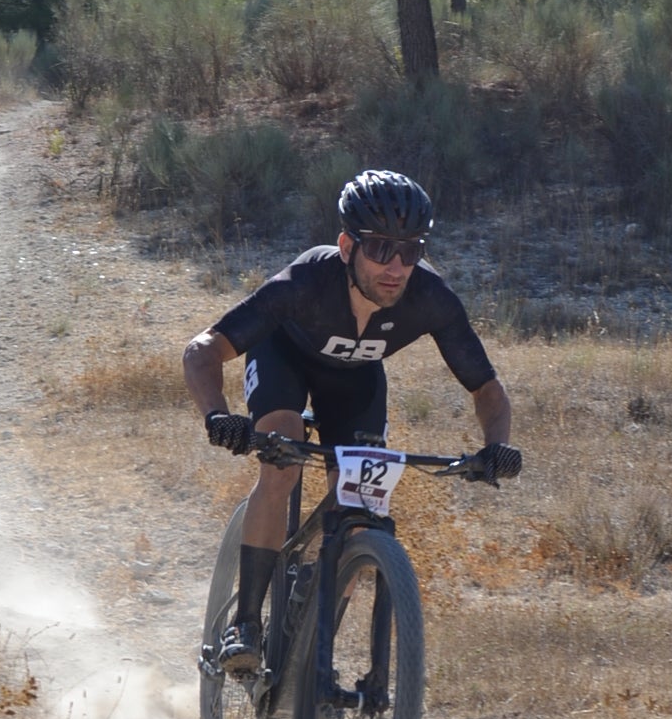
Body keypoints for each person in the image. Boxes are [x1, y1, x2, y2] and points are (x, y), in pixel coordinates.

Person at [183, 169, 520, 670]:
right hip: (285, 360)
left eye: (411, 251)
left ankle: (309, 656)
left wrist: (496, 445)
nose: (397, 266)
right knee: (283, 455)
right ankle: (245, 625)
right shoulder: (304, 284)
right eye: (382, 248)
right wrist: (218, 416)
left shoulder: (430, 298)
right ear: (347, 245)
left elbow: (487, 388)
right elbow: (203, 350)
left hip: (356, 379)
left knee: (362, 508)